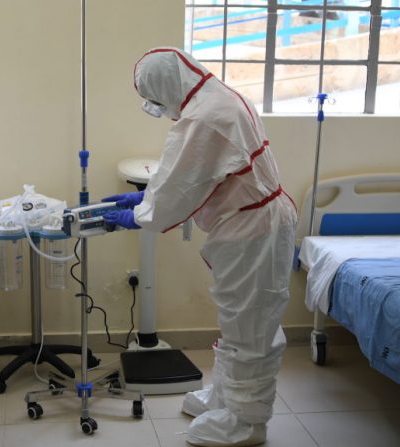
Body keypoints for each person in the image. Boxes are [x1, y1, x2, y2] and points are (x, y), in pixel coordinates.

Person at [102, 47, 297, 447]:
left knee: (251, 329)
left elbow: (179, 184)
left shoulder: (206, 117)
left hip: (253, 229)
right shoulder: (216, 99)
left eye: (155, 100)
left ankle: (246, 422)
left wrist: (141, 213)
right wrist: (145, 199)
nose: (160, 109)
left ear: (165, 87)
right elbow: (201, 174)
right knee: (238, 320)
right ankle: (227, 399)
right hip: (246, 223)